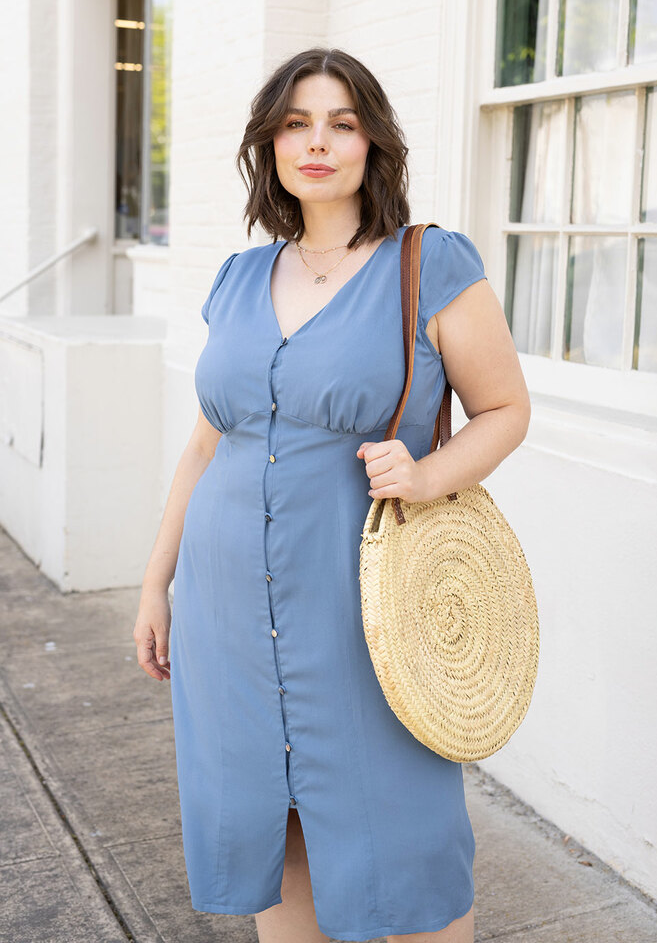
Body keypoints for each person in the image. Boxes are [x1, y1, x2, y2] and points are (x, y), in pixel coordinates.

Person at [133, 46, 530, 943]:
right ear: (269, 146)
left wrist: (427, 476)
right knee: (275, 829)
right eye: (295, 124)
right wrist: (156, 582)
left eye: (341, 124)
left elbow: (505, 409)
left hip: (360, 610)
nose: (316, 143)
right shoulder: (238, 278)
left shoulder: (429, 263)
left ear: (372, 143)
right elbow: (205, 446)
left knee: (407, 834)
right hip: (226, 611)